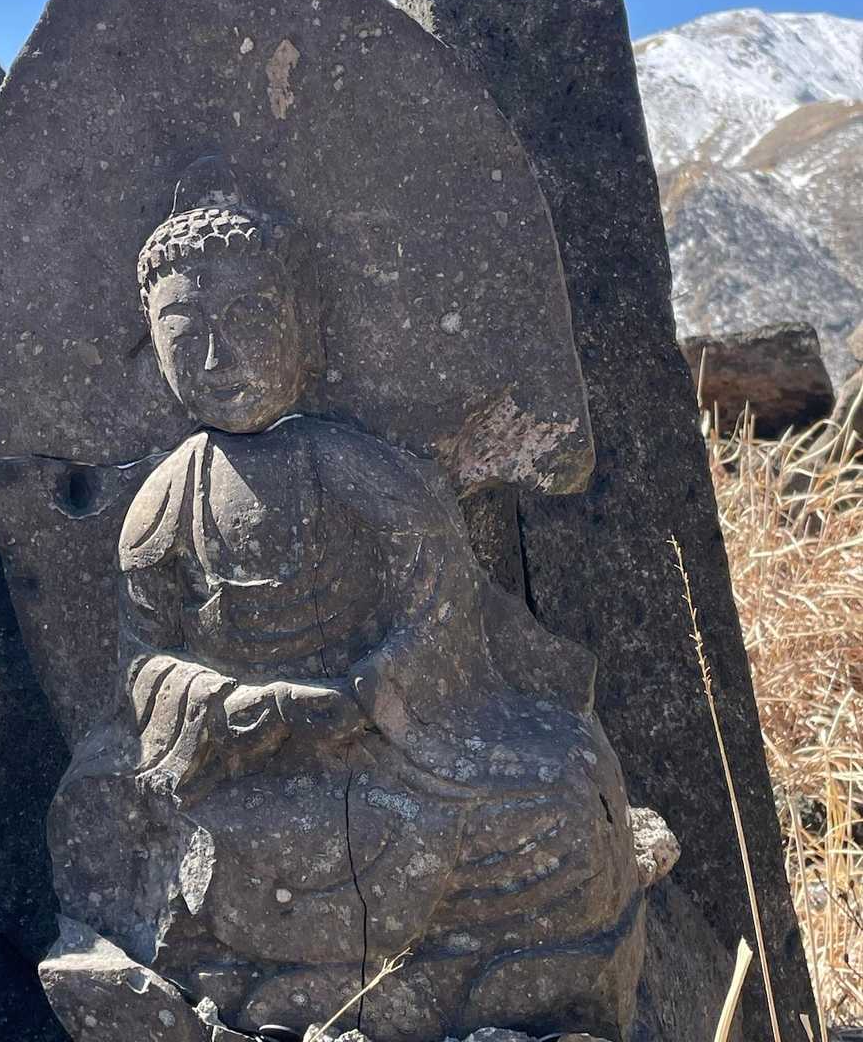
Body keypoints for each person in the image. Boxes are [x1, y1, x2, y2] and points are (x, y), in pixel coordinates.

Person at [48, 192, 644, 1042]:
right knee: (95, 823)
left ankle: (306, 986)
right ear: (154, 345)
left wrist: (369, 693)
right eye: (185, 330)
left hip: (391, 750)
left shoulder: (363, 470)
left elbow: (438, 608)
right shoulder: (165, 501)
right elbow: (144, 664)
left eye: (250, 319)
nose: (217, 357)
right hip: (243, 770)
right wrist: (238, 705)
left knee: (564, 798)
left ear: (305, 326)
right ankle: (426, 984)